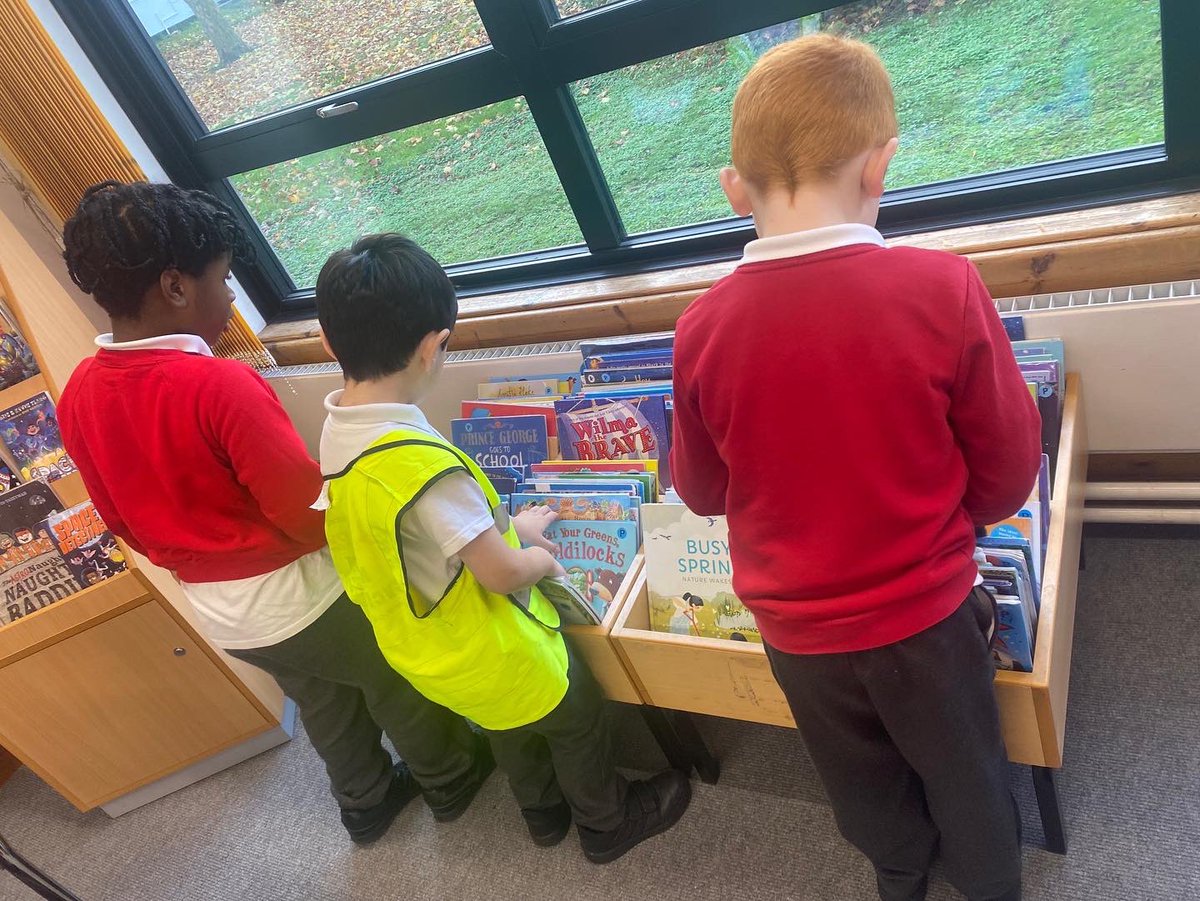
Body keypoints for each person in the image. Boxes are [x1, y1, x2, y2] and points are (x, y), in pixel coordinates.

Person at [669, 35, 1041, 901]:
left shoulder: (700, 328)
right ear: (880, 166)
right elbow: (1007, 468)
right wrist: (960, 514)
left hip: (797, 633)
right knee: (966, 766)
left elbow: (702, 488)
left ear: (734, 189)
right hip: (927, 615)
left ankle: (898, 875)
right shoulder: (943, 287)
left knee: (858, 777)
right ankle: (989, 881)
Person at [57, 181, 492, 844]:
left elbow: (119, 520)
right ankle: (451, 775)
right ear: (175, 287)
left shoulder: (80, 390)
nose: (232, 297)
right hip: (304, 596)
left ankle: (365, 800)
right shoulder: (220, 384)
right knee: (391, 677)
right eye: (223, 279)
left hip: (224, 615)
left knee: (322, 694)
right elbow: (303, 511)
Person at [313, 233, 691, 863]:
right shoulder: (422, 466)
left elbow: (421, 540)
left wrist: (511, 527)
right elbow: (502, 573)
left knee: (507, 728)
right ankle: (607, 823)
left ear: (328, 342)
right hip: (497, 647)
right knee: (576, 719)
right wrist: (538, 556)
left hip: (424, 651)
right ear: (433, 346)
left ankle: (543, 815)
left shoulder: (338, 437)